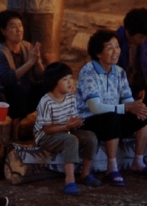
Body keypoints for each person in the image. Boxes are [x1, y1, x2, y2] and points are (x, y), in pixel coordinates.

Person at [76, 29, 147, 186]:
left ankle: (138, 162)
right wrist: (125, 108)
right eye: (110, 47)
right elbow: (94, 107)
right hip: (89, 120)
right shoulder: (88, 71)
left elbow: (127, 100)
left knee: (143, 114)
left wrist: (135, 106)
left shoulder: (119, 72)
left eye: (117, 46)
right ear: (99, 54)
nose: (116, 51)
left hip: (112, 117)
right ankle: (111, 168)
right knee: (112, 116)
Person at [35, 62, 101, 195]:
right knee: (70, 140)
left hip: (65, 131)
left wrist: (77, 122)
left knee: (90, 137)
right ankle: (70, 181)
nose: (70, 82)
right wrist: (67, 126)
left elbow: (73, 117)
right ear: (54, 82)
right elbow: (47, 129)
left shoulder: (71, 98)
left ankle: (85, 174)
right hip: (45, 136)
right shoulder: (46, 101)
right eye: (65, 79)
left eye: (71, 78)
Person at [0, 9, 44, 118]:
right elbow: (6, 79)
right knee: (16, 90)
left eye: (20, 25)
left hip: (21, 91)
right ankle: (14, 129)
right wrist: (29, 62)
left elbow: (39, 76)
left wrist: (37, 61)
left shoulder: (27, 47)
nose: (19, 30)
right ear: (3, 31)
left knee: (45, 86)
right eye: (13, 26)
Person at [115, 8, 147, 100]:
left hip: (137, 87)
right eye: (141, 37)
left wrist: (141, 87)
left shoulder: (145, 39)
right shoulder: (114, 43)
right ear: (129, 31)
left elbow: (144, 67)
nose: (144, 40)